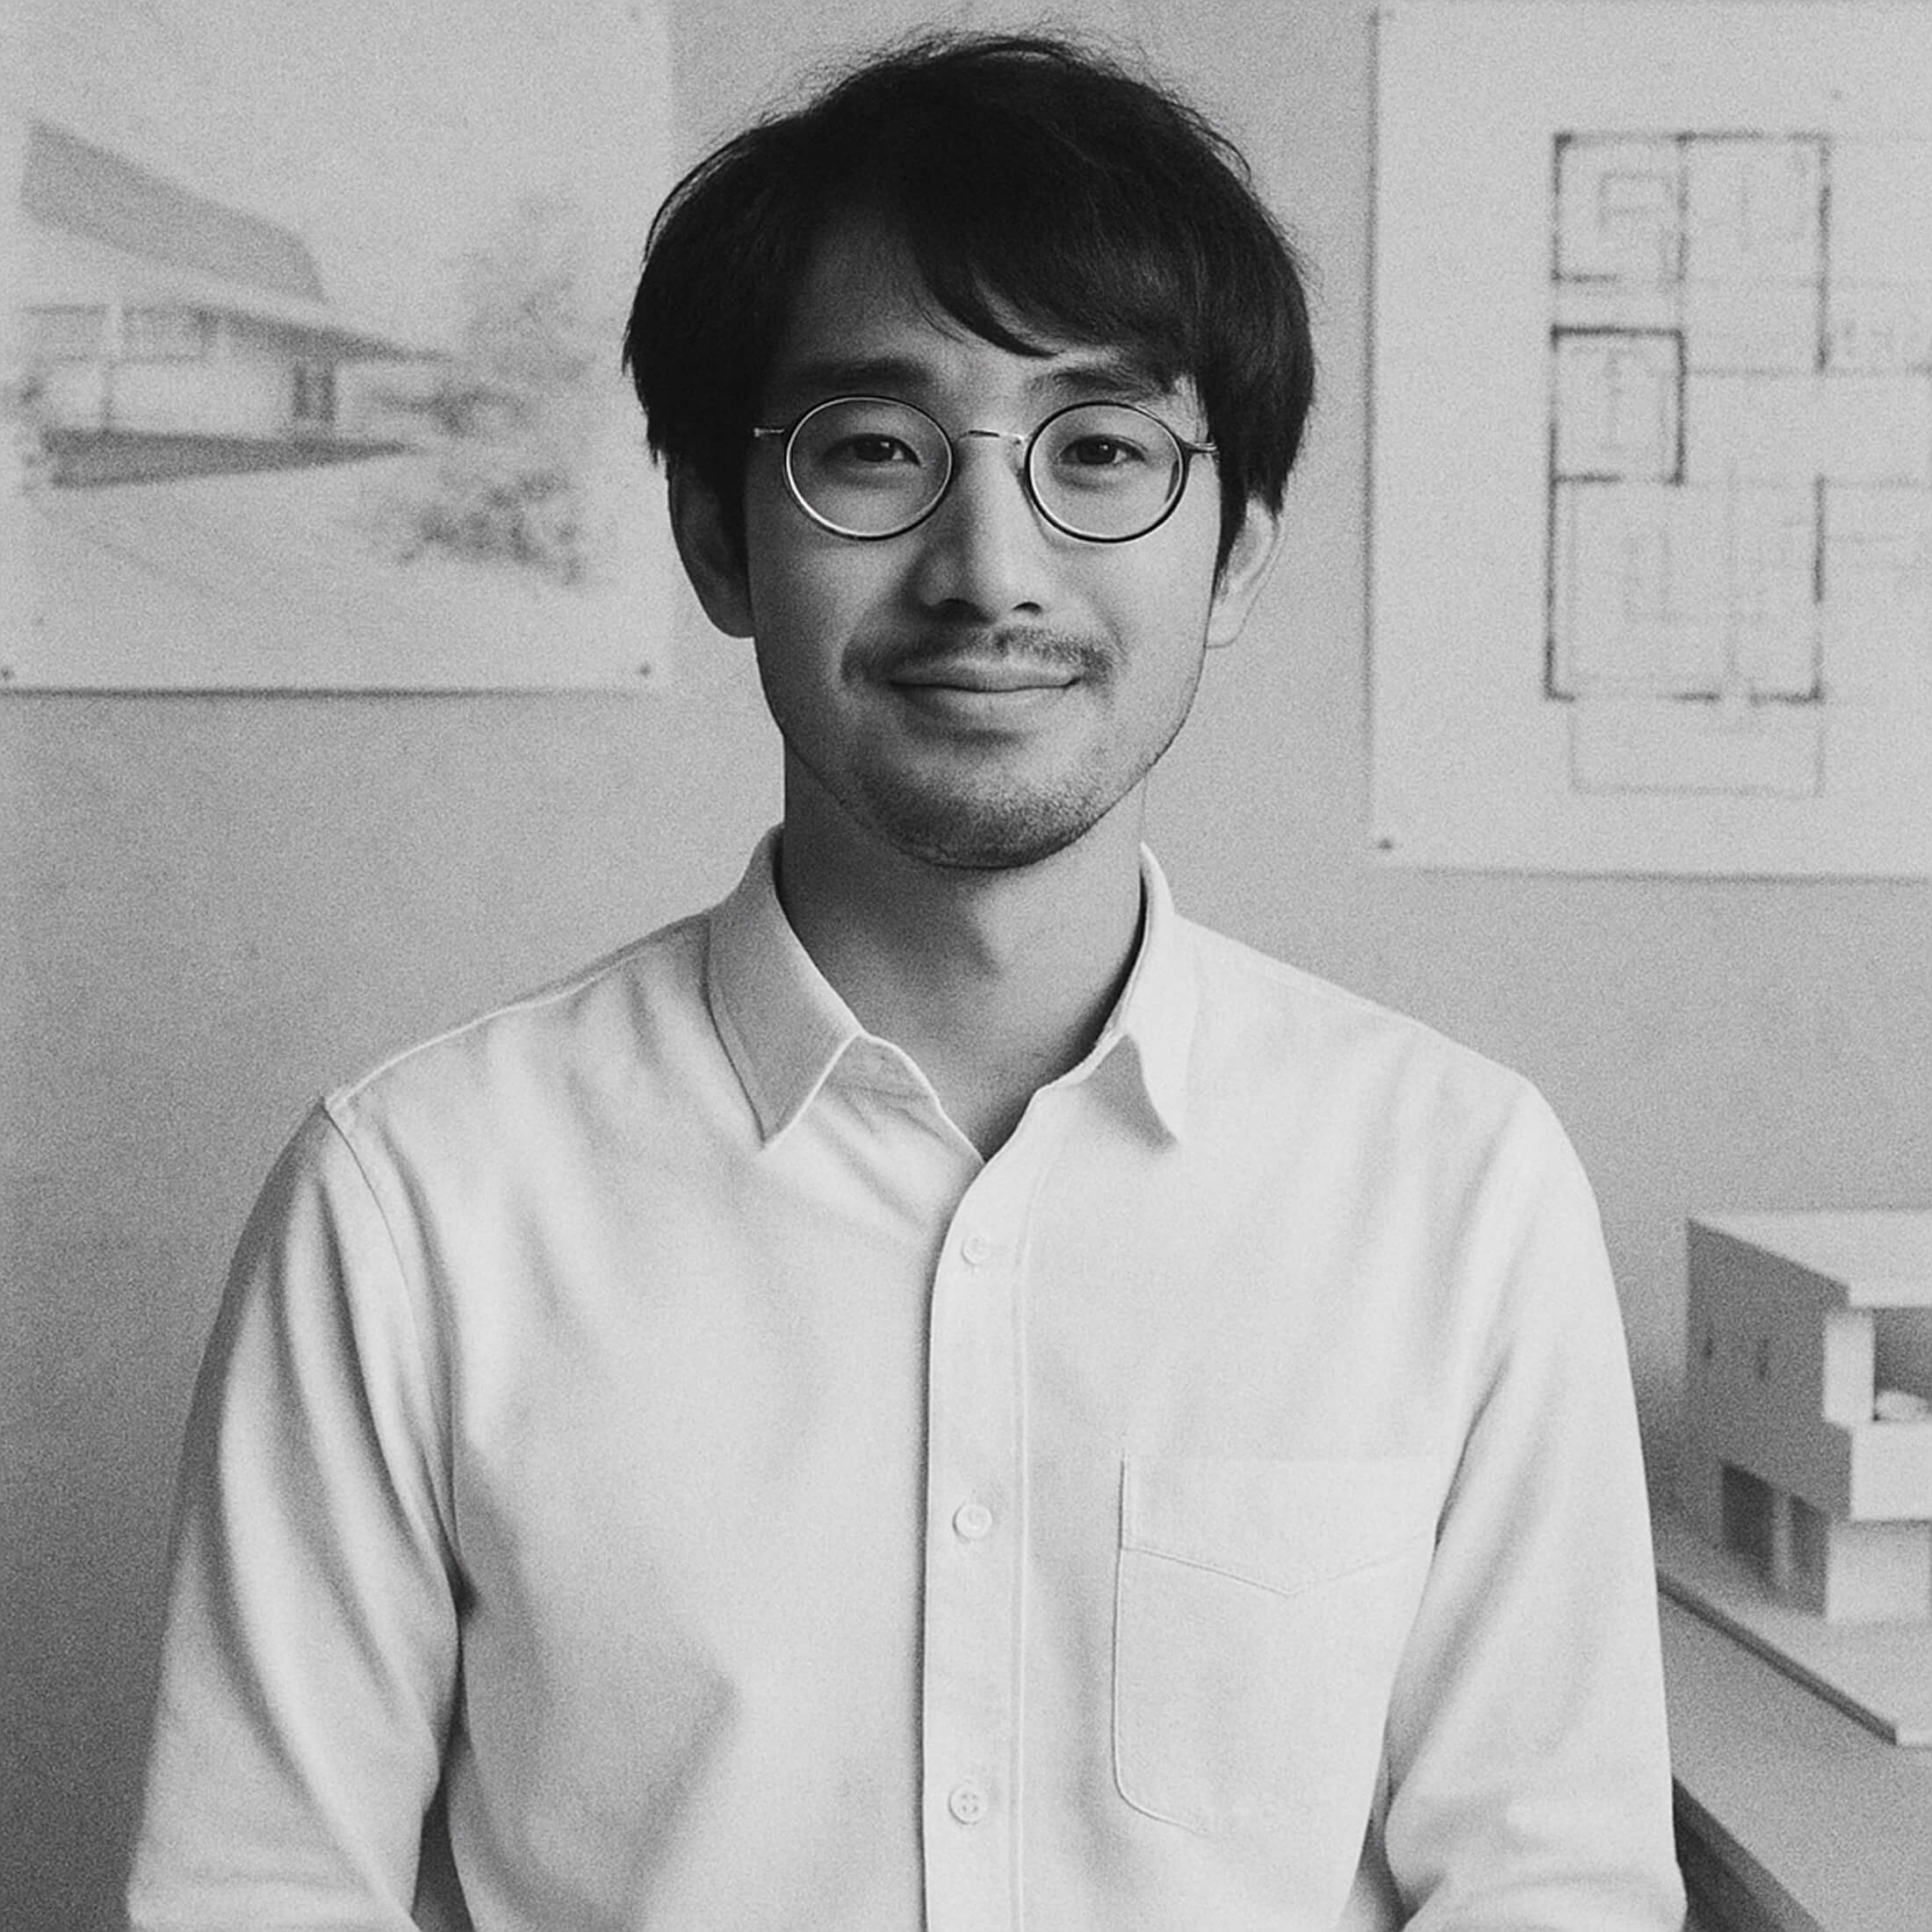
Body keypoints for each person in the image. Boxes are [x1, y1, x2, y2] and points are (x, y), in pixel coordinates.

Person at [127, 31, 1685, 1931]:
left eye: (1099, 450)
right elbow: (256, 1888)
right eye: (873, 449)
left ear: (1236, 554)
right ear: (716, 533)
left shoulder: (1451, 1182)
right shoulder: (416, 1200)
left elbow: (1552, 1887)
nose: (987, 567)